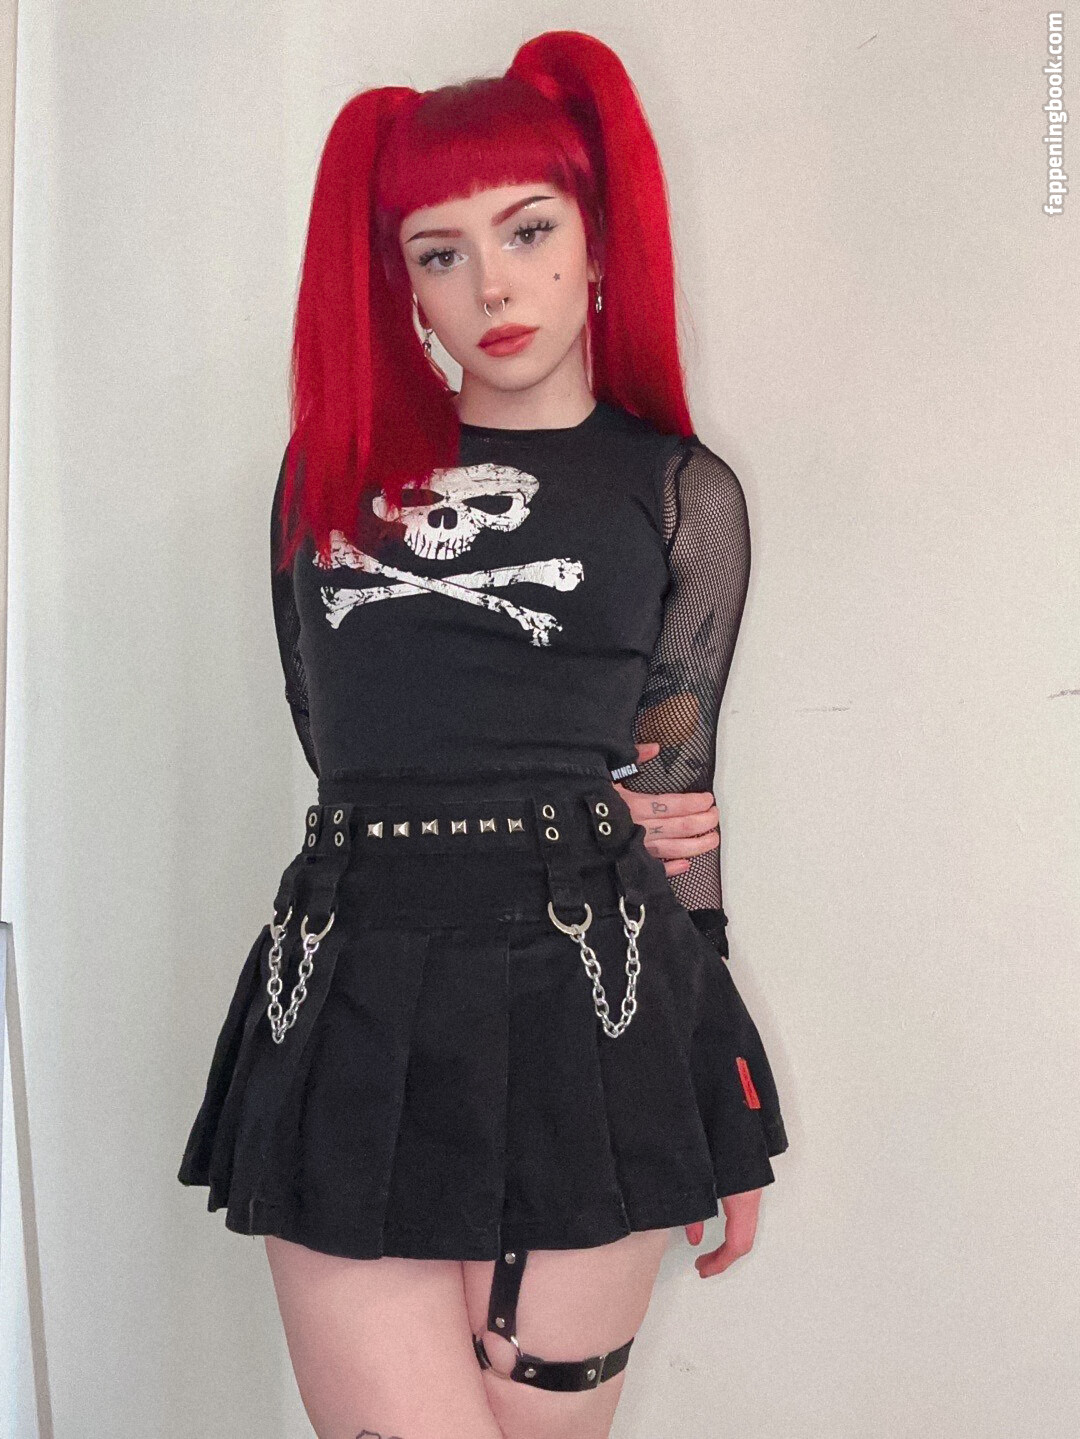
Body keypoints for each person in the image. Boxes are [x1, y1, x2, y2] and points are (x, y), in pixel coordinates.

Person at [177, 29, 789, 1439]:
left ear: (597, 240)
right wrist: (548, 783)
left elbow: (680, 793)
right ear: (402, 286)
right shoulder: (324, 478)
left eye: (527, 230)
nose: (492, 286)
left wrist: (720, 1080)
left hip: (601, 1007)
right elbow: (340, 746)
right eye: (439, 253)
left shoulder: (679, 493)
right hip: (351, 985)